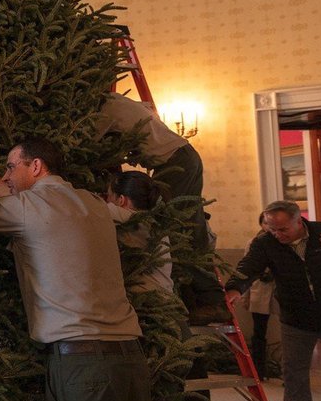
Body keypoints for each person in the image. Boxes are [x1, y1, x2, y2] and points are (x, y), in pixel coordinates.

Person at [0, 138, 152, 401]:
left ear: (35, 166)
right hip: (129, 359)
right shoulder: (93, 204)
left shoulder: (26, 208)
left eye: (11, 167)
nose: (6, 176)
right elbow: (15, 199)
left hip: (81, 366)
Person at [95, 93, 226, 324]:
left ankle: (211, 300)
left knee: (173, 230)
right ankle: (202, 300)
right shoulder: (122, 102)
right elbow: (144, 108)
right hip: (185, 157)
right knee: (186, 224)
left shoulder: (106, 109)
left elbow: (92, 146)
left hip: (174, 164)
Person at [105, 171, 199, 401]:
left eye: (108, 196)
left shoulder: (135, 223)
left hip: (161, 326)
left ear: (120, 200)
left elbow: (89, 210)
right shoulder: (152, 223)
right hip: (172, 323)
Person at [225, 200, 321, 401]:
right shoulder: (265, 242)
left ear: (299, 221)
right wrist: (234, 289)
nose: (277, 235)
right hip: (295, 316)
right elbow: (247, 267)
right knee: (293, 372)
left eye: (283, 229)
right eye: (272, 229)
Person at [243, 213, 276, 381]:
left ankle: (285, 372)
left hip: (278, 293)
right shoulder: (253, 242)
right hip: (259, 291)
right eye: (265, 223)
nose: (268, 226)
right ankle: (258, 371)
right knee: (259, 333)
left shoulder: (284, 242)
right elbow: (245, 271)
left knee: (288, 335)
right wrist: (245, 296)